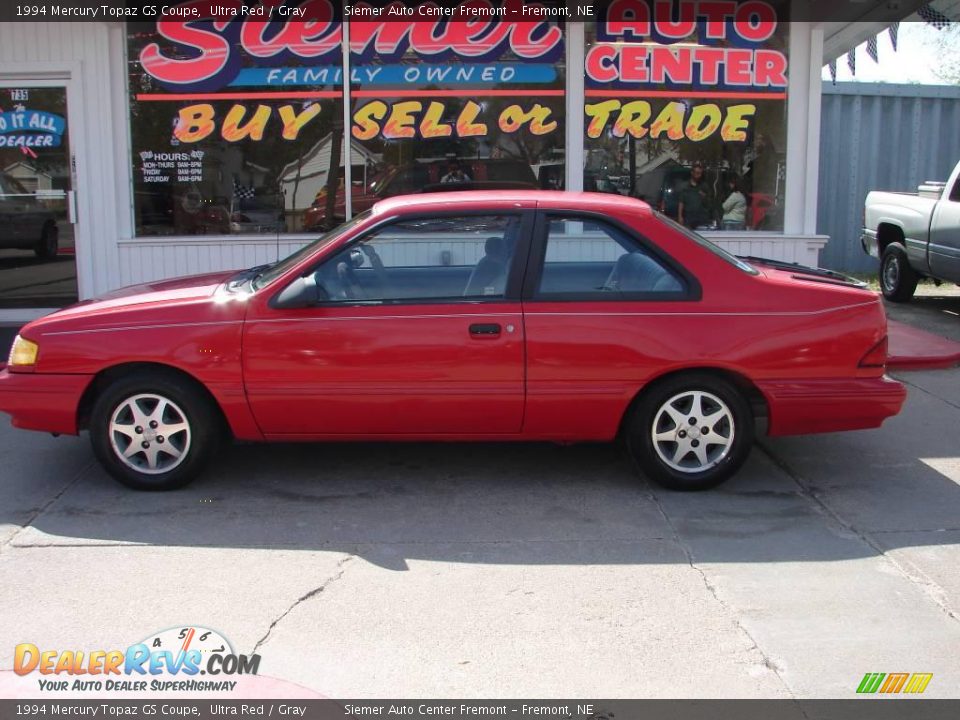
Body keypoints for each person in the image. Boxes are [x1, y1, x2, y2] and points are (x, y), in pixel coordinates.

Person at [677, 163, 712, 230]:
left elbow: (709, 203)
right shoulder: (685, 186)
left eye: (700, 173)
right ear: (692, 173)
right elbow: (681, 202)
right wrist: (680, 216)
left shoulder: (704, 186)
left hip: (701, 218)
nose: (699, 175)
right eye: (697, 173)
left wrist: (704, 196)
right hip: (689, 218)